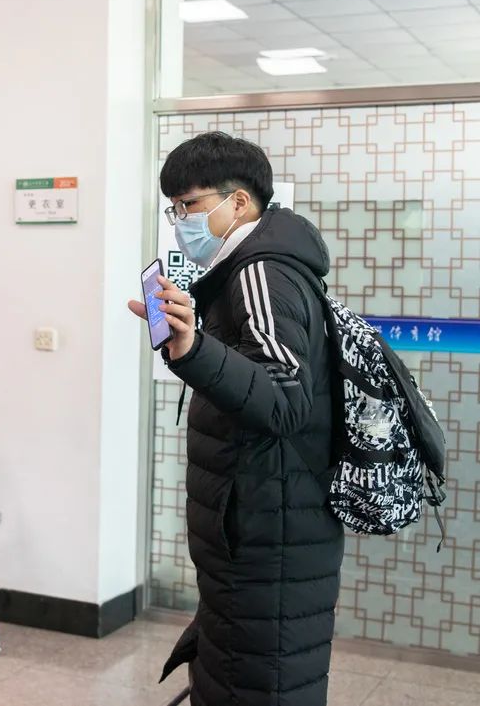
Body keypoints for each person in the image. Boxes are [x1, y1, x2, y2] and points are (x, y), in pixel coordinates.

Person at [128, 132, 345, 706]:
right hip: (263, 527)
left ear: (239, 202)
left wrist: (194, 348)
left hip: (269, 534)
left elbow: (284, 400)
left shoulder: (260, 273)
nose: (181, 221)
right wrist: (191, 348)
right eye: (174, 209)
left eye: (190, 205)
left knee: (260, 684)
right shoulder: (249, 268)